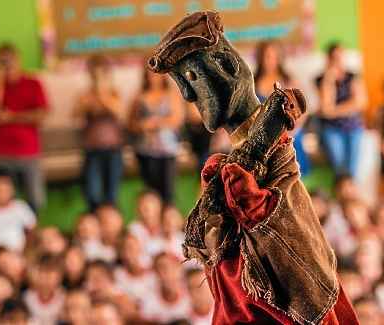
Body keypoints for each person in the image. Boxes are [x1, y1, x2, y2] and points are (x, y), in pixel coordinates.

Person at [148, 11, 358, 325]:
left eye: (191, 78)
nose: (188, 95)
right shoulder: (230, 171)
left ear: (230, 68)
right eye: (181, 85)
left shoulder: (262, 180)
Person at [0, 42, 49, 211]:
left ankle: (31, 235)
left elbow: (42, 114)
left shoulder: (33, 83)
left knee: (35, 200)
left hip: (29, 151)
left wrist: (13, 117)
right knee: (5, 201)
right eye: (2, 60)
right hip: (2, 152)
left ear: (18, 59)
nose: (7, 64)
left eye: (9, 59)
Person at [74, 55, 123, 212]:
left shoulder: (114, 92)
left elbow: (118, 111)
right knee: (92, 194)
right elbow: (76, 113)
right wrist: (91, 101)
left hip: (113, 149)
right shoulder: (85, 94)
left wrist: (101, 93)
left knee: (111, 195)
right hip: (92, 150)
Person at [254, 40, 310, 175]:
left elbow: (304, 110)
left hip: (288, 132)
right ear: (260, 58)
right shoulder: (253, 83)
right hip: (261, 136)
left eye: (275, 57)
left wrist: (293, 129)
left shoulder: (289, 80)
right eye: (267, 56)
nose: (271, 61)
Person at [128, 68, 184, 203]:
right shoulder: (139, 96)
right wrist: (143, 125)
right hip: (145, 150)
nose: (153, 77)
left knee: (168, 192)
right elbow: (131, 123)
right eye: (149, 73)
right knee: (150, 191)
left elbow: (177, 119)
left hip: (167, 149)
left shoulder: (171, 94)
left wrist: (157, 123)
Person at [316, 41, 367, 177]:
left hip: (353, 126)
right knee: (338, 165)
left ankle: (350, 193)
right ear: (328, 59)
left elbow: (360, 102)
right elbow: (326, 105)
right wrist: (329, 79)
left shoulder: (353, 76)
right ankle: (342, 192)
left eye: (340, 56)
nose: (338, 61)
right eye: (334, 57)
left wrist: (333, 112)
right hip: (331, 129)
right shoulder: (321, 79)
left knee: (352, 167)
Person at [23, 255, 65, 325]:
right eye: (43, 271)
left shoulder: (64, 298)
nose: (47, 277)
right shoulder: (26, 298)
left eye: (51, 272)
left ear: (60, 276)